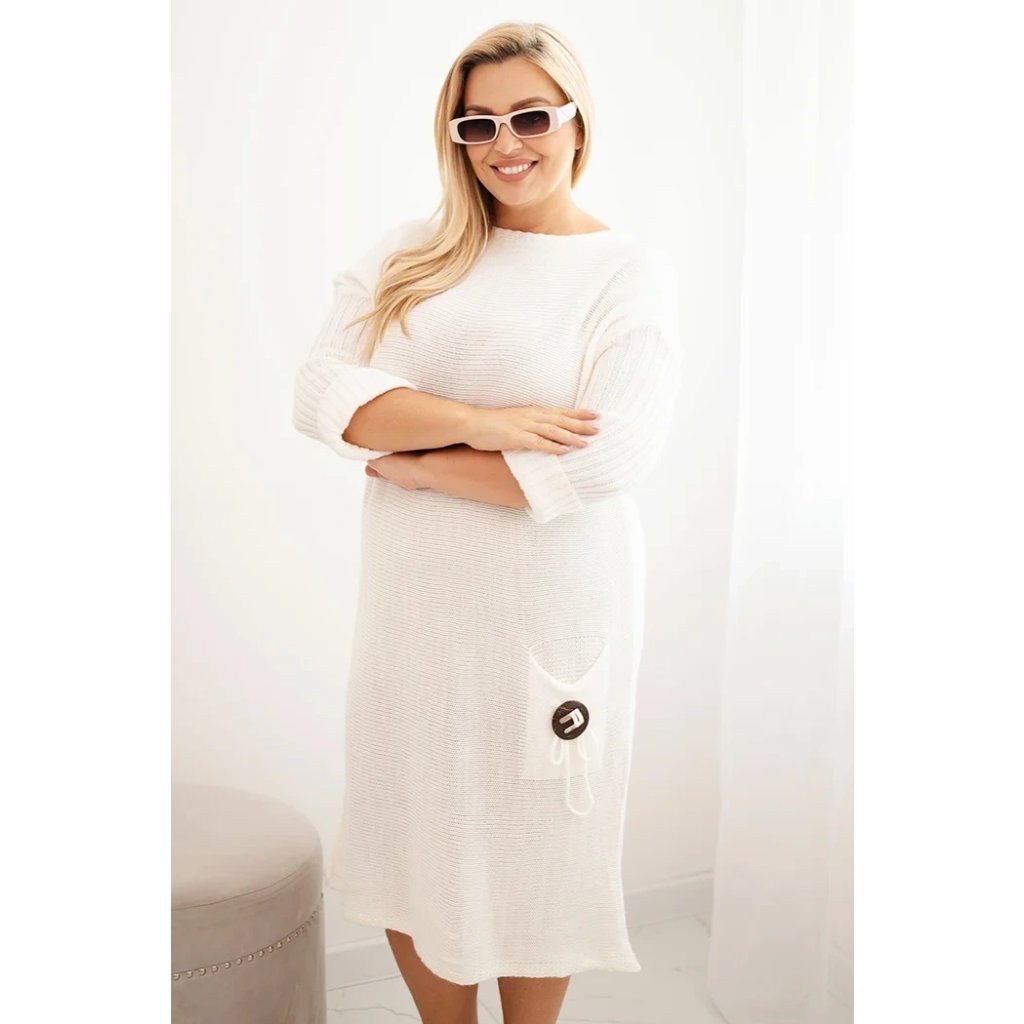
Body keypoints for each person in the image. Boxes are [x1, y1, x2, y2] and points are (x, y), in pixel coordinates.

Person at [292, 20, 683, 1024]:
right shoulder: (410, 253)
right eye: (478, 124)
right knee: (411, 823)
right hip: (415, 606)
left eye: (530, 117)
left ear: (576, 121)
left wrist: (423, 462)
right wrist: (481, 423)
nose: (505, 143)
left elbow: (605, 457)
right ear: (455, 136)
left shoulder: (623, 271)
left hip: (553, 605)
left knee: (542, 834)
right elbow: (324, 394)